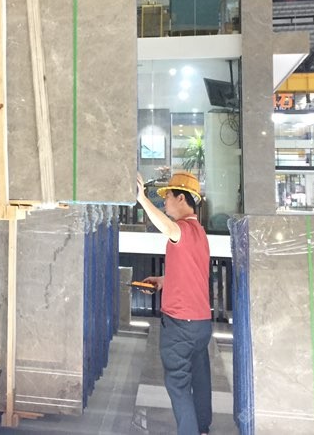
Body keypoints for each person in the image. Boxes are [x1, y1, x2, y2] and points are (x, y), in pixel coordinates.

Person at [135, 170, 212, 435]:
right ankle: (202, 428)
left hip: (180, 325)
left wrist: (142, 199)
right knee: (200, 380)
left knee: (178, 384)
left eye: (167, 196)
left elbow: (168, 228)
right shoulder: (199, 232)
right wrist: (162, 281)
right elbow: (191, 272)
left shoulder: (183, 229)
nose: (164, 202)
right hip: (200, 323)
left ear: (181, 198)